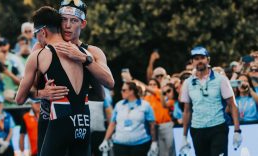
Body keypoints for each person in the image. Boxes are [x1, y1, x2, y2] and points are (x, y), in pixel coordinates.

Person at [32, 1, 115, 155]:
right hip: (50, 123)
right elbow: (28, 90)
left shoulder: (92, 52)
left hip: (78, 122)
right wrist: (43, 93)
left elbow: (109, 84)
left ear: (82, 24)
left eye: (74, 20)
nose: (67, 25)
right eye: (64, 19)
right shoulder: (41, 47)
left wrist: (84, 59)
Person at [15, 6, 93, 156]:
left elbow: (19, 98)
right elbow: (102, 91)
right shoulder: (85, 54)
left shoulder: (40, 55)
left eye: (35, 35)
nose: (35, 40)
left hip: (61, 122)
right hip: (84, 122)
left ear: (43, 32)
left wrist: (40, 93)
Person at [180, 46, 242, 156]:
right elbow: (187, 110)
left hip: (218, 128)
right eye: (196, 58)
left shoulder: (221, 79)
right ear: (192, 62)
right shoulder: (187, 83)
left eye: (202, 58)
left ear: (208, 60)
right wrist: (184, 136)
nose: (199, 61)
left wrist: (237, 131)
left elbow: (232, 105)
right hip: (197, 130)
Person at [99, 81, 157, 156]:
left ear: (131, 91)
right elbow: (112, 124)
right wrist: (105, 140)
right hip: (120, 144)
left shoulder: (145, 105)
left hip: (140, 145)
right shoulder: (119, 105)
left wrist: (154, 142)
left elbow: (152, 125)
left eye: (124, 90)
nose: (121, 92)